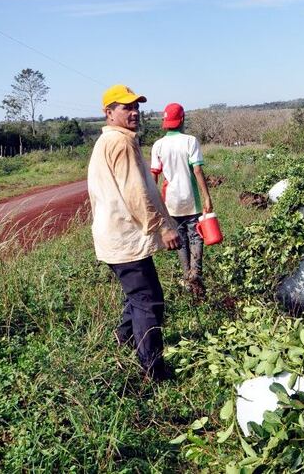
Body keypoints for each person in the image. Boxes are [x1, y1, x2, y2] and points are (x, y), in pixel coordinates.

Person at [87, 84, 180, 381]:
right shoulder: (121, 143)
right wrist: (164, 227)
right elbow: (136, 193)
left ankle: (123, 340)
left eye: (136, 106)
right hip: (124, 238)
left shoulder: (110, 141)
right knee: (149, 301)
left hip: (115, 237)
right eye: (127, 107)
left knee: (137, 296)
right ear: (109, 112)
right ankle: (152, 370)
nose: (135, 112)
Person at [150, 103, 213, 295]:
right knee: (196, 236)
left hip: (170, 202)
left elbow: (154, 175)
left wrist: (154, 204)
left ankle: (187, 277)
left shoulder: (158, 145)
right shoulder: (190, 141)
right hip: (190, 199)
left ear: (166, 122)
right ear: (182, 120)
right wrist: (207, 198)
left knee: (181, 239)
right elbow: (197, 170)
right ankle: (196, 274)